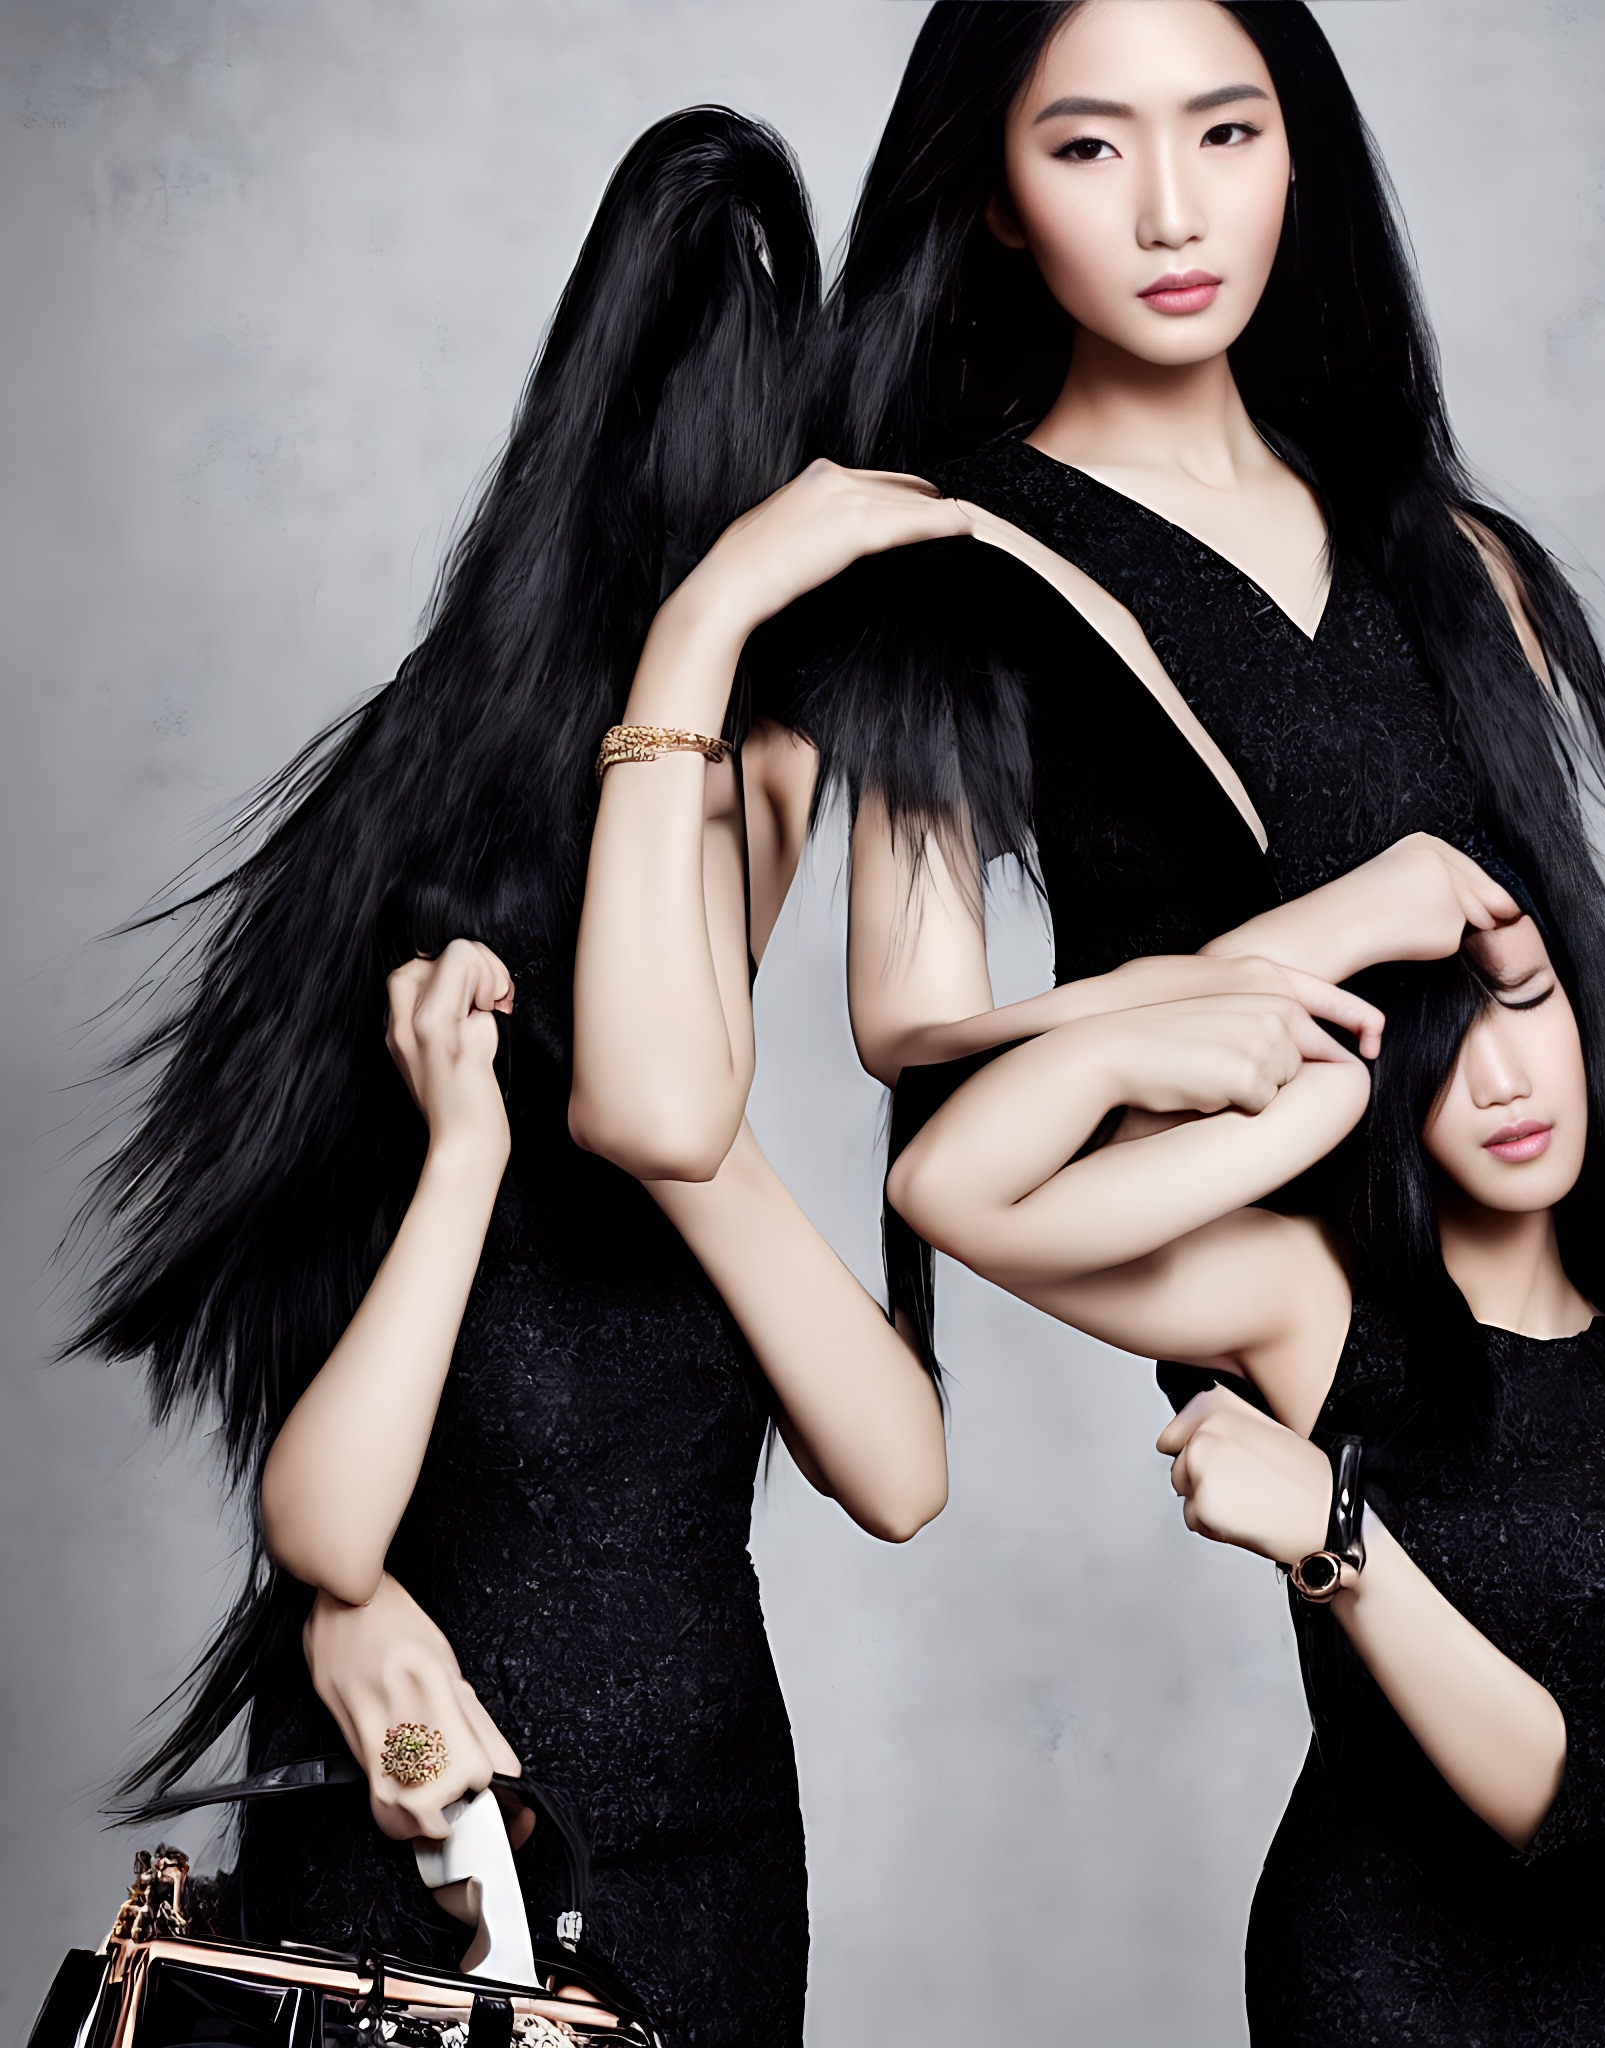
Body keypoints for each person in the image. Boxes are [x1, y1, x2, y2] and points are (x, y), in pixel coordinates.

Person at [74, 110, 945, 2045]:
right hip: (428, 1829)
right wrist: (467, 1153)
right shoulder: (434, 912)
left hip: (717, 1839)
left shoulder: (780, 804)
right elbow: (326, 1524)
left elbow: (896, 1468)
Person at [886, 886, 1605, 2042]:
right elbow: (948, 1186)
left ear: (1592, 1016)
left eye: (1523, 1001)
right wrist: (1293, 1070)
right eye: (1433, 1044)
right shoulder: (1307, 1306)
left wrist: (1338, 1533)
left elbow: (1573, 1797)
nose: (1499, 1079)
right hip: (1370, 1976)